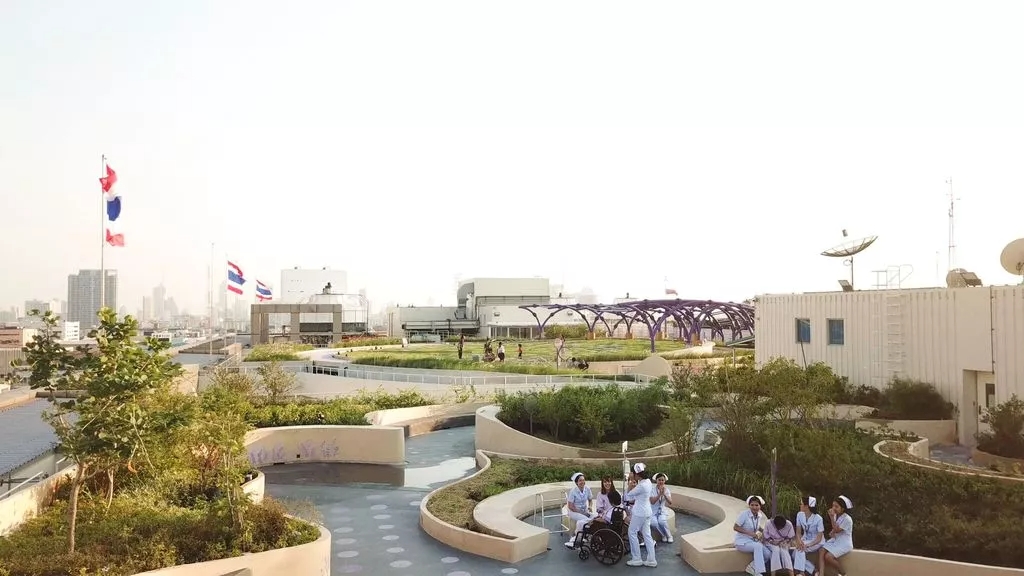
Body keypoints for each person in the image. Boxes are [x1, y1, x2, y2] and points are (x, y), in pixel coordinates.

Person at [625, 463, 657, 567]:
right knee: (647, 535)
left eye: (633, 473)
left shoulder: (641, 486)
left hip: (639, 513)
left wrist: (630, 482)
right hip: (647, 512)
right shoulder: (648, 482)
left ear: (637, 474)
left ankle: (636, 559)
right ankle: (651, 559)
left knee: (632, 532)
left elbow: (628, 495)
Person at [734, 495, 770, 576]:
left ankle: (752, 567)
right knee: (758, 546)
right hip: (742, 542)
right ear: (749, 505)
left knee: (768, 554)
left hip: (752, 541)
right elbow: (735, 527)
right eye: (752, 505)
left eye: (756, 505)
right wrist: (750, 533)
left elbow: (757, 527)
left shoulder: (759, 515)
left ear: (760, 506)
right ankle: (757, 572)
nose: (754, 507)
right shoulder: (744, 514)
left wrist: (764, 532)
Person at [818, 496, 853, 576]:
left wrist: (831, 518)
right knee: (821, 550)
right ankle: (821, 574)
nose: (834, 508)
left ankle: (843, 573)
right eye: (833, 506)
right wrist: (832, 532)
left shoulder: (847, 519)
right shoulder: (837, 516)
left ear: (843, 509)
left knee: (828, 557)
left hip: (844, 543)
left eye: (836, 506)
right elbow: (834, 530)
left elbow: (837, 529)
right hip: (836, 541)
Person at [792, 496, 824, 576]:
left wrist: (807, 545)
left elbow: (819, 538)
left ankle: (801, 573)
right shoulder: (799, 515)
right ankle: (814, 570)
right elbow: (798, 532)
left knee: (800, 550)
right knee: (794, 554)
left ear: (806, 506)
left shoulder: (818, 519)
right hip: (805, 539)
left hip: (816, 541)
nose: (800, 505)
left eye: (801, 504)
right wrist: (799, 541)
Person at [564, 472, 596, 548]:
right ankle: (575, 539)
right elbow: (570, 506)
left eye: (583, 480)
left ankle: (586, 536)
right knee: (584, 520)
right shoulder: (573, 491)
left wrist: (590, 507)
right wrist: (582, 513)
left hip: (584, 511)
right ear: (576, 483)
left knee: (595, 517)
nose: (582, 482)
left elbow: (590, 499)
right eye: (580, 480)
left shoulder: (587, 489)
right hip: (574, 511)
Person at [649, 473, 673, 543]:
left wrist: (664, 494)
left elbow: (670, 502)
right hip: (653, 511)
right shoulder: (652, 490)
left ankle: (669, 536)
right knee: (653, 523)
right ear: (656, 480)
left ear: (664, 481)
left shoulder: (667, 490)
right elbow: (652, 502)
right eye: (659, 480)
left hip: (662, 511)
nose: (661, 482)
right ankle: (663, 535)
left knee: (662, 521)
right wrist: (659, 494)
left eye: (662, 480)